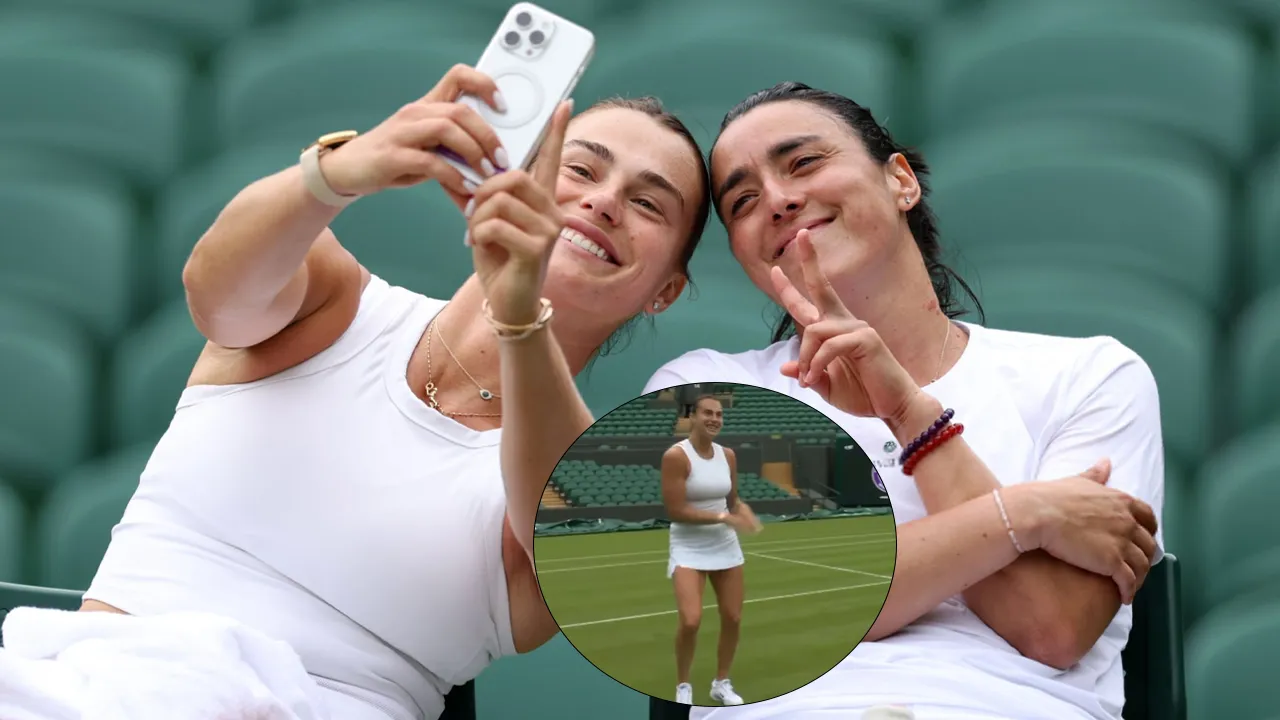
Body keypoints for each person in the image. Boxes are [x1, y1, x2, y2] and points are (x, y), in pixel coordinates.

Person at [68, 65, 712, 720]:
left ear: (666, 290)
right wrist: (338, 172)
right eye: (580, 169)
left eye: (648, 203)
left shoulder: (608, 480)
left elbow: (582, 553)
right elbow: (214, 289)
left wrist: (519, 319)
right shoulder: (330, 298)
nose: (604, 201)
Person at [644, 82, 1163, 720]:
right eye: (743, 200)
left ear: (900, 181)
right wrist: (1027, 514)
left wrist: (911, 416)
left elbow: (1051, 626)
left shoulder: (1089, 375)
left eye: (803, 163)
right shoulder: (707, 390)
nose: (778, 200)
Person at [661, 393, 761, 707]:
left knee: (732, 617)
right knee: (690, 620)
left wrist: (744, 512)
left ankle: (721, 682)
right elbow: (676, 510)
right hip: (688, 545)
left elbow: (732, 500)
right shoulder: (676, 457)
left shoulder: (728, 455)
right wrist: (721, 516)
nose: (714, 419)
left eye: (719, 414)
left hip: (725, 545)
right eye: (707, 413)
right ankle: (683, 685)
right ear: (692, 417)